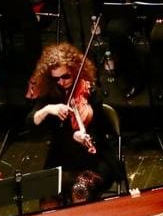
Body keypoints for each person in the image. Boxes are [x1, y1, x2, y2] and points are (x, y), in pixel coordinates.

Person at [26, 42, 121, 204]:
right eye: (56, 78)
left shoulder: (91, 92)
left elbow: (103, 130)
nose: (62, 82)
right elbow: (30, 121)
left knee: (80, 191)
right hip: (61, 158)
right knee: (48, 200)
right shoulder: (51, 94)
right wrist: (48, 109)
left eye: (66, 76)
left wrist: (82, 135)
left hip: (94, 160)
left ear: (76, 70)